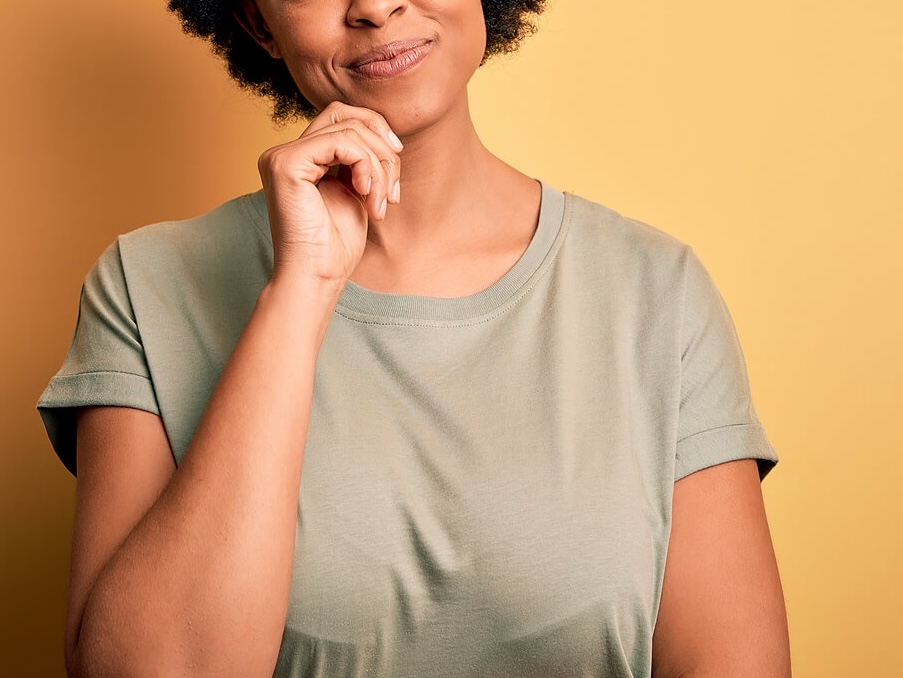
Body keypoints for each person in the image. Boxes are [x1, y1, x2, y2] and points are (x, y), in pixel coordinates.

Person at [38, 0, 792, 676]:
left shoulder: (655, 291)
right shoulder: (146, 286)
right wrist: (301, 289)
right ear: (256, 23)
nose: (373, 5)